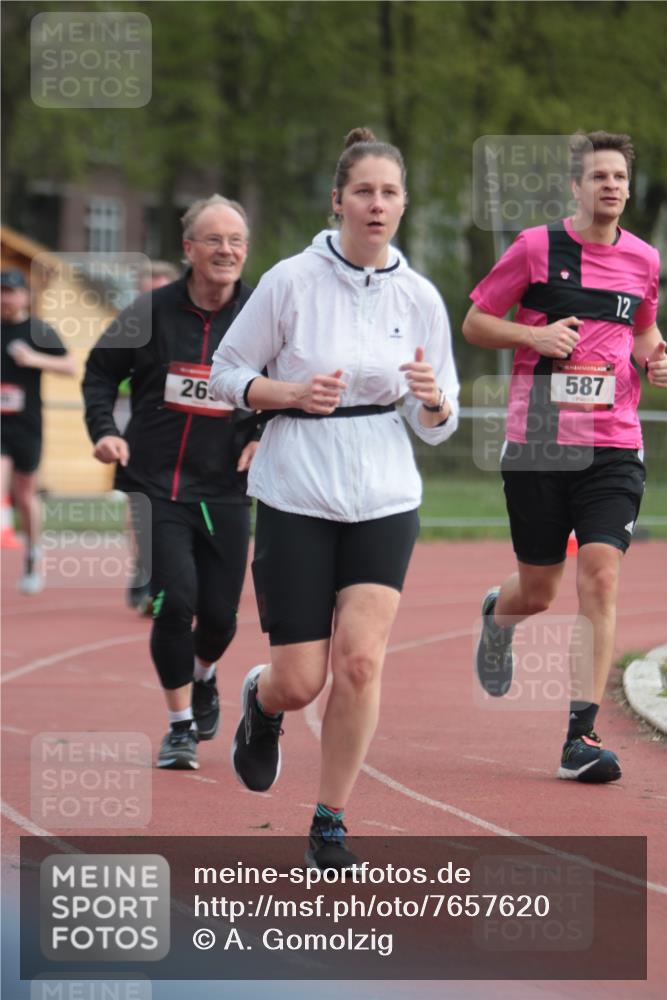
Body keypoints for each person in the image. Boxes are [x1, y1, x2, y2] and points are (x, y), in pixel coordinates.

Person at [210, 127, 460, 870]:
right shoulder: (289, 281)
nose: (375, 204)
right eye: (363, 192)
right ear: (338, 201)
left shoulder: (419, 297)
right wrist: (283, 391)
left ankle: (330, 818)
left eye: (388, 193)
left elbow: (436, 421)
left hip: (383, 492)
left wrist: (433, 405)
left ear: (403, 204)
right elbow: (224, 374)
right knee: (301, 679)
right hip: (296, 489)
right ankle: (260, 702)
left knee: (358, 664)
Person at [463, 131, 667, 783]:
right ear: (575, 188)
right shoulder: (534, 248)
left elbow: (642, 330)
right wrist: (532, 332)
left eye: (618, 177)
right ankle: (499, 615)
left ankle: (578, 737)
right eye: (597, 176)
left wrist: (655, 357)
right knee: (541, 588)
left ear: (627, 189)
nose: (609, 185)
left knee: (600, 576)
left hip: (613, 445)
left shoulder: (643, 259)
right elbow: (474, 322)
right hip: (539, 442)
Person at [83, 195, 259, 771]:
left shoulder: (262, 314)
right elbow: (100, 374)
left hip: (226, 487)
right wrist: (106, 430)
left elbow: (289, 385)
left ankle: (205, 675)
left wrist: (261, 434)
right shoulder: (150, 311)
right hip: (154, 484)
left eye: (236, 240)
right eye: (214, 239)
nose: (226, 250)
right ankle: (179, 726)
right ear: (189, 248)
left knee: (221, 619)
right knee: (172, 602)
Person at [1, 268, 76, 594]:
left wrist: (34, 359)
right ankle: (5, 526)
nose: (6, 298)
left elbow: (71, 366)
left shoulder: (38, 330)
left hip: (28, 423)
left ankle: (33, 553)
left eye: (12, 291)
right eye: (1, 291)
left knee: (25, 494)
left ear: (25, 296)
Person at [121, 259, 181, 613]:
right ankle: (144, 570)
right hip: (142, 422)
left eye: (159, 291)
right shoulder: (128, 329)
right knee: (139, 502)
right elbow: (104, 373)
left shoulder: (194, 326)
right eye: (146, 293)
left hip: (195, 431)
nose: (152, 299)